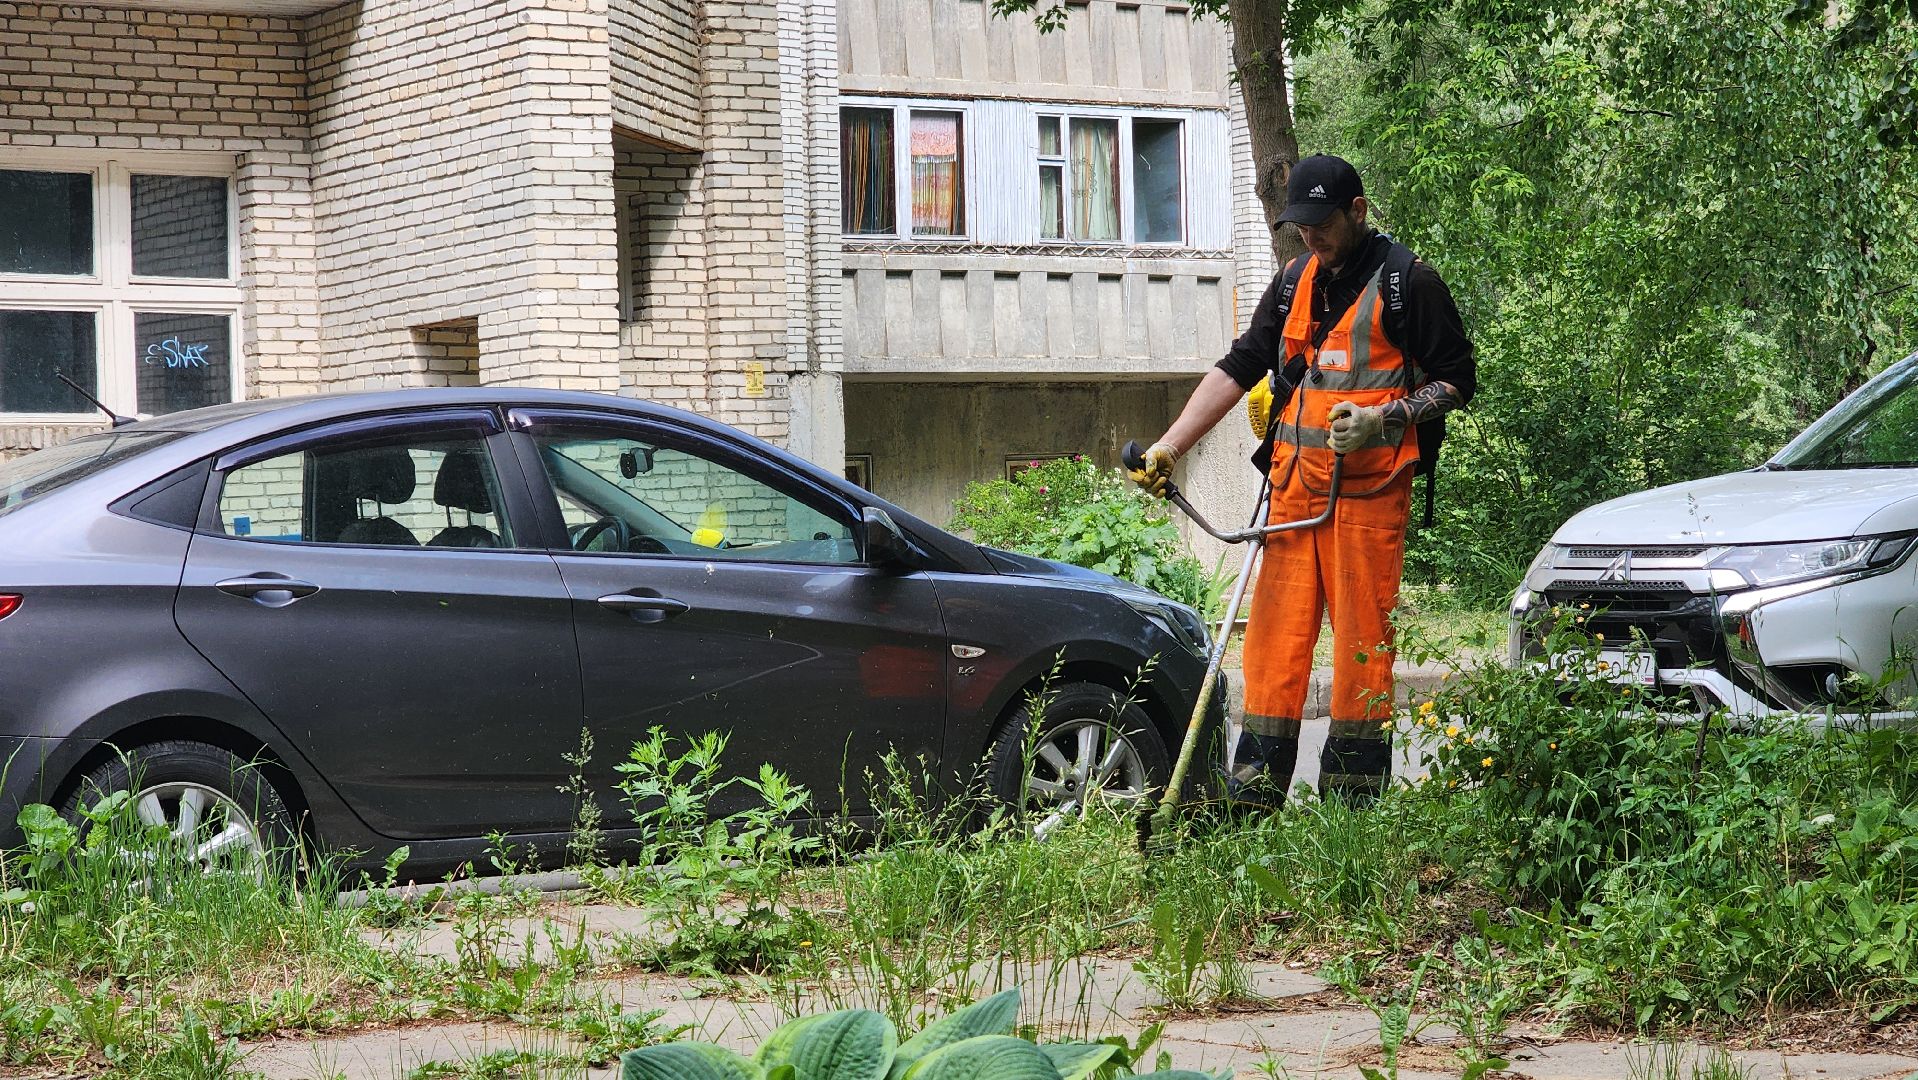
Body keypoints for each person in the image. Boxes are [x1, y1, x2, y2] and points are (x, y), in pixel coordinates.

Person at [1128, 155, 1477, 803]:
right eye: (1301, 226)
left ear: (1358, 211)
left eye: (1322, 224)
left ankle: (1350, 810)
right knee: (1271, 653)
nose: (1311, 237)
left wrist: (1387, 418)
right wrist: (1171, 446)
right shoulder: (1293, 283)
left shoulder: (1409, 283)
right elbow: (1239, 366)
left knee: (1361, 658)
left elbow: (1458, 379)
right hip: (1291, 497)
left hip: (1369, 503)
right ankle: (1252, 799)